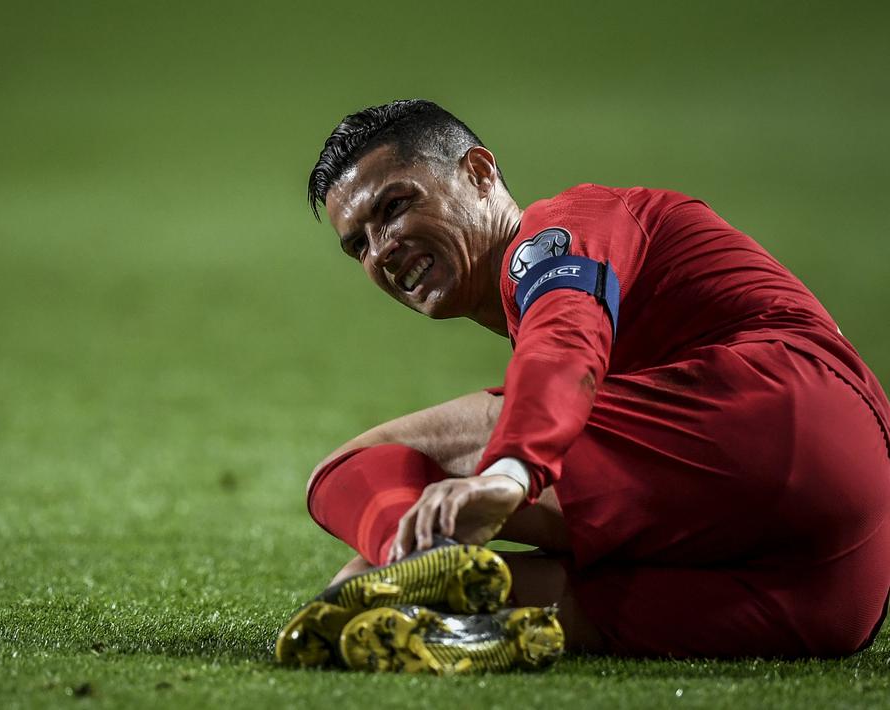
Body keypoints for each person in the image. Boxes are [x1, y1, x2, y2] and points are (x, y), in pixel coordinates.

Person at [292, 99, 890, 661]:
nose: (382, 249)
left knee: (353, 466)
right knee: (359, 595)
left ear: (478, 172)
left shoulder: (565, 225)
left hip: (778, 411)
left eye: (394, 206)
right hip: (833, 579)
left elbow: (565, 340)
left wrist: (511, 471)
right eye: (357, 246)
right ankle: (453, 618)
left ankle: (420, 564)